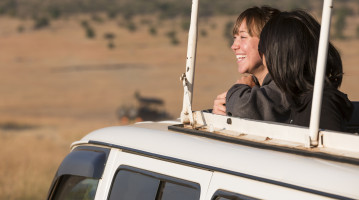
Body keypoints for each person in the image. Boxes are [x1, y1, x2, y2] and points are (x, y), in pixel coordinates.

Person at [258, 10, 353, 131]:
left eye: (263, 51)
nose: (263, 59)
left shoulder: (320, 104)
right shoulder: (299, 101)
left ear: (279, 58)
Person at [212, 6, 291, 123]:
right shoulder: (256, 88)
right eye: (234, 38)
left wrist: (237, 92)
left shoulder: (286, 86)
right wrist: (221, 111)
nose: (234, 46)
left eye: (243, 37)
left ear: (268, 42)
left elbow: (245, 109)